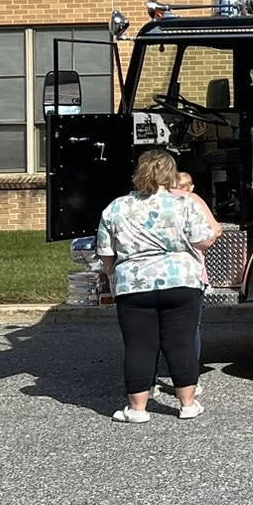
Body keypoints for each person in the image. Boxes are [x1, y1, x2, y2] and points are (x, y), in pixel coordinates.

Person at [97, 149, 218, 422]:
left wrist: (113, 272)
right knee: (181, 343)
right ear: (169, 174)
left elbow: (106, 251)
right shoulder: (184, 203)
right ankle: (187, 404)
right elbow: (205, 239)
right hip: (181, 281)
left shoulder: (116, 207)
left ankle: (137, 409)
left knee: (139, 345)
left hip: (134, 283)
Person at [153, 170, 220, 406]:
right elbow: (215, 230)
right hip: (187, 274)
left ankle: (148, 382)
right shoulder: (191, 201)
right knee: (189, 330)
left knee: (150, 330)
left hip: (145, 276)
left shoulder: (136, 201)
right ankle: (189, 383)